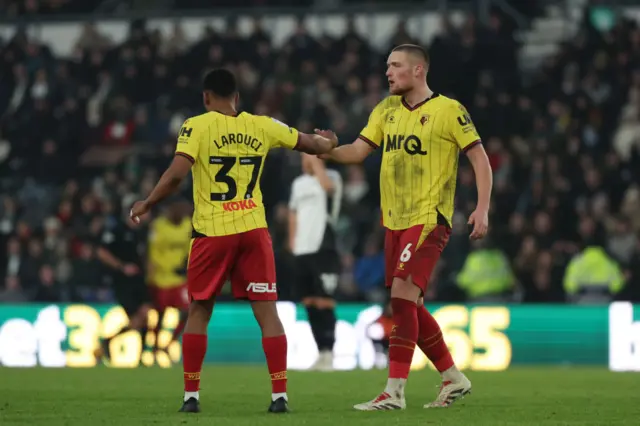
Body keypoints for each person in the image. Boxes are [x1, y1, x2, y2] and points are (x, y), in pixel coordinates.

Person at [129, 68, 338, 414]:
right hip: (254, 231)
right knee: (267, 312)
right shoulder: (263, 125)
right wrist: (329, 141)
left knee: (199, 309)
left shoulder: (196, 126)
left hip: (213, 232)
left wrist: (148, 202)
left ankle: (191, 397)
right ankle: (279, 396)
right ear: (236, 98)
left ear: (206, 97)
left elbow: (177, 173)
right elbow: (312, 144)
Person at [320, 44, 493, 410]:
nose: (388, 72)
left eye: (395, 66)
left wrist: (482, 208)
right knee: (408, 303)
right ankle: (453, 377)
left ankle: (395, 391)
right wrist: (326, 149)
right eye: (387, 66)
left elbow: (479, 157)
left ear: (418, 71)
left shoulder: (448, 110)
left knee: (401, 297)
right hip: (395, 221)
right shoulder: (386, 110)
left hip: (429, 218)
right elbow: (356, 151)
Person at [288, 154, 343, 371]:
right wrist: (292, 242)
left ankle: (329, 352)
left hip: (324, 247)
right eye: (303, 157)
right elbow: (293, 213)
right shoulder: (298, 183)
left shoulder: (331, 177)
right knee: (309, 301)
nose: (305, 161)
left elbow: (328, 188)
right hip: (303, 249)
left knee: (324, 301)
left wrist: (316, 161)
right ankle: (321, 352)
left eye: (308, 157)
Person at [94, 210, 152, 364]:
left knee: (145, 316)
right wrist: (121, 266)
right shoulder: (117, 231)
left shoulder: (142, 232)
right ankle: (109, 341)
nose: (149, 216)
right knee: (137, 320)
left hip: (139, 280)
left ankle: (140, 357)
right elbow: (101, 252)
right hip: (123, 282)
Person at [147, 197, 192, 355]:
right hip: (161, 278)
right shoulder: (158, 226)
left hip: (179, 279)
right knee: (160, 315)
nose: (184, 213)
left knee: (188, 311)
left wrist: (186, 265)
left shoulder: (187, 225)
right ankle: (154, 348)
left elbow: (190, 248)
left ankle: (169, 344)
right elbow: (153, 253)